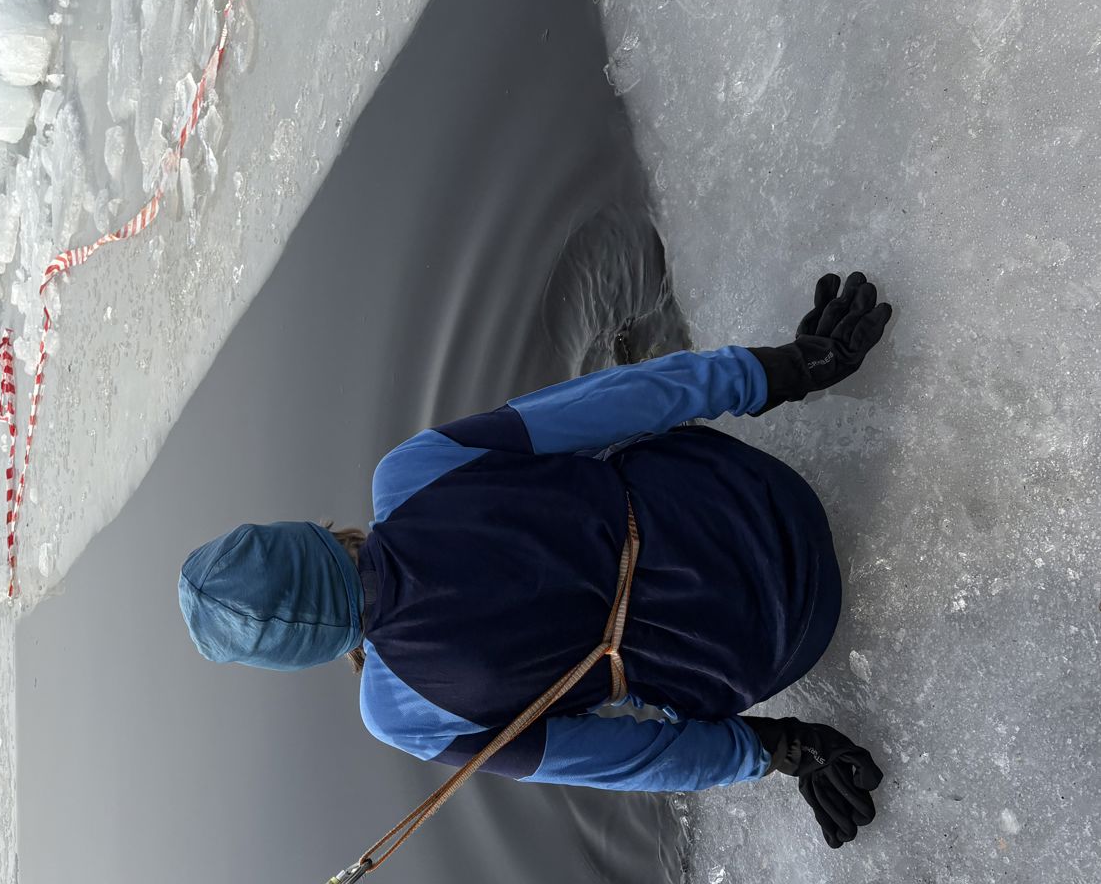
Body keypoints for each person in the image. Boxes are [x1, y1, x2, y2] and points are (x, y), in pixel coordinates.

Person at [178, 272, 894, 848]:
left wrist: (778, 748)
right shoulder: (409, 472)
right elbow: (616, 401)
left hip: (778, 643)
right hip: (764, 500)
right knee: (611, 456)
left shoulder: (399, 715)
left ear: (300, 655)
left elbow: (614, 759)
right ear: (307, 535)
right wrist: (784, 370)